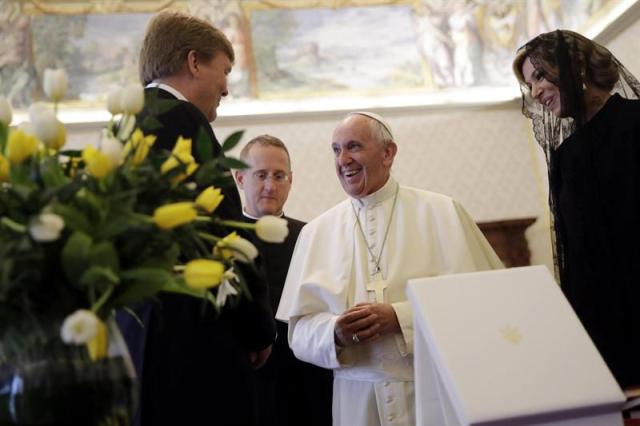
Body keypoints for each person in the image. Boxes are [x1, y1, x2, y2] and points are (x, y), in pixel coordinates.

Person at [276, 112, 503, 425]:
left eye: (353, 146)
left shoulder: (442, 213)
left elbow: (481, 305)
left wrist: (401, 318)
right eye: (336, 150)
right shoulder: (316, 232)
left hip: (432, 392)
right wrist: (336, 333)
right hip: (356, 400)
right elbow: (298, 332)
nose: (343, 160)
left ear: (388, 152)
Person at [117, 11, 275, 426]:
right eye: (223, 71)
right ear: (193, 62)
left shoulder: (123, 125)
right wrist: (258, 328)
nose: (225, 87)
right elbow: (223, 233)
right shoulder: (182, 118)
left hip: (137, 334)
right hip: (191, 339)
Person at [512, 30, 640, 388]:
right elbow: (574, 254)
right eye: (529, 84)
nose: (535, 92)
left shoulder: (635, 122)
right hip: (604, 327)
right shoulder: (565, 156)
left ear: (574, 64)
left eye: (539, 75)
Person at [235, 135, 333, 425]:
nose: (270, 185)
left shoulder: (311, 236)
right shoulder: (221, 238)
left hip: (305, 376)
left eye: (279, 176)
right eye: (260, 175)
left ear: (291, 180)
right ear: (240, 178)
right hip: (247, 376)